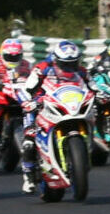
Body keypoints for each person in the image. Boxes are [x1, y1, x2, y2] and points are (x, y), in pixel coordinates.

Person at [18, 39, 88, 192]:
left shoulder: (81, 71)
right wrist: (29, 102)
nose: (70, 67)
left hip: (67, 104)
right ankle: (29, 175)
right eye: (66, 64)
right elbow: (25, 90)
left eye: (73, 63)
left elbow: (92, 85)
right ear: (56, 60)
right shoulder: (42, 69)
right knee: (29, 140)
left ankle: (82, 159)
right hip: (41, 105)